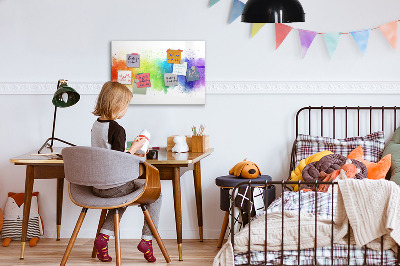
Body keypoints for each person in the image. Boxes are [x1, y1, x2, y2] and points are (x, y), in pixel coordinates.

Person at [91, 81, 161, 263]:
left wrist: (130, 150)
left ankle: (103, 238)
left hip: (97, 186)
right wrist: (135, 149)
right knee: (156, 194)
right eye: (127, 105)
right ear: (117, 105)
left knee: (121, 198)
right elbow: (118, 161)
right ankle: (147, 240)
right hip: (114, 186)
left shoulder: (96, 125)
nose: (127, 109)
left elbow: (108, 154)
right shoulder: (117, 129)